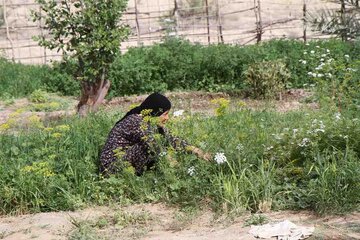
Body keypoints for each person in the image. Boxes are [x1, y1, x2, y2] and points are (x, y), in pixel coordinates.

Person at [100, 92, 210, 176]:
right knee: (151, 146)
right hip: (112, 167)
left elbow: (170, 138)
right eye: (165, 114)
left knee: (160, 140)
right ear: (154, 112)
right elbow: (155, 146)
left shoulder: (148, 121)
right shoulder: (136, 120)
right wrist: (178, 168)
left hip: (124, 161)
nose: (167, 118)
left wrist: (197, 151)